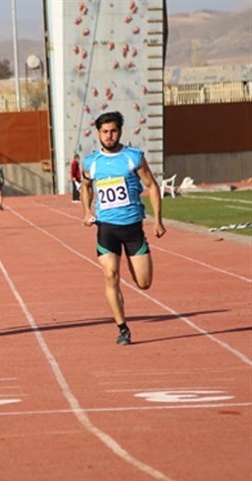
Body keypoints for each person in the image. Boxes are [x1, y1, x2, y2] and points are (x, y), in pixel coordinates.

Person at [80, 111, 165, 346]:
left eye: (113, 131)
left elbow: (152, 186)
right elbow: (85, 186)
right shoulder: (91, 162)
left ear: (120, 131)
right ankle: (122, 328)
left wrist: (158, 220)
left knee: (144, 283)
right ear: (98, 133)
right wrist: (87, 211)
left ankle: (132, 259)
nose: (109, 136)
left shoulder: (133, 157)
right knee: (110, 276)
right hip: (107, 228)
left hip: (132, 227)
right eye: (105, 132)